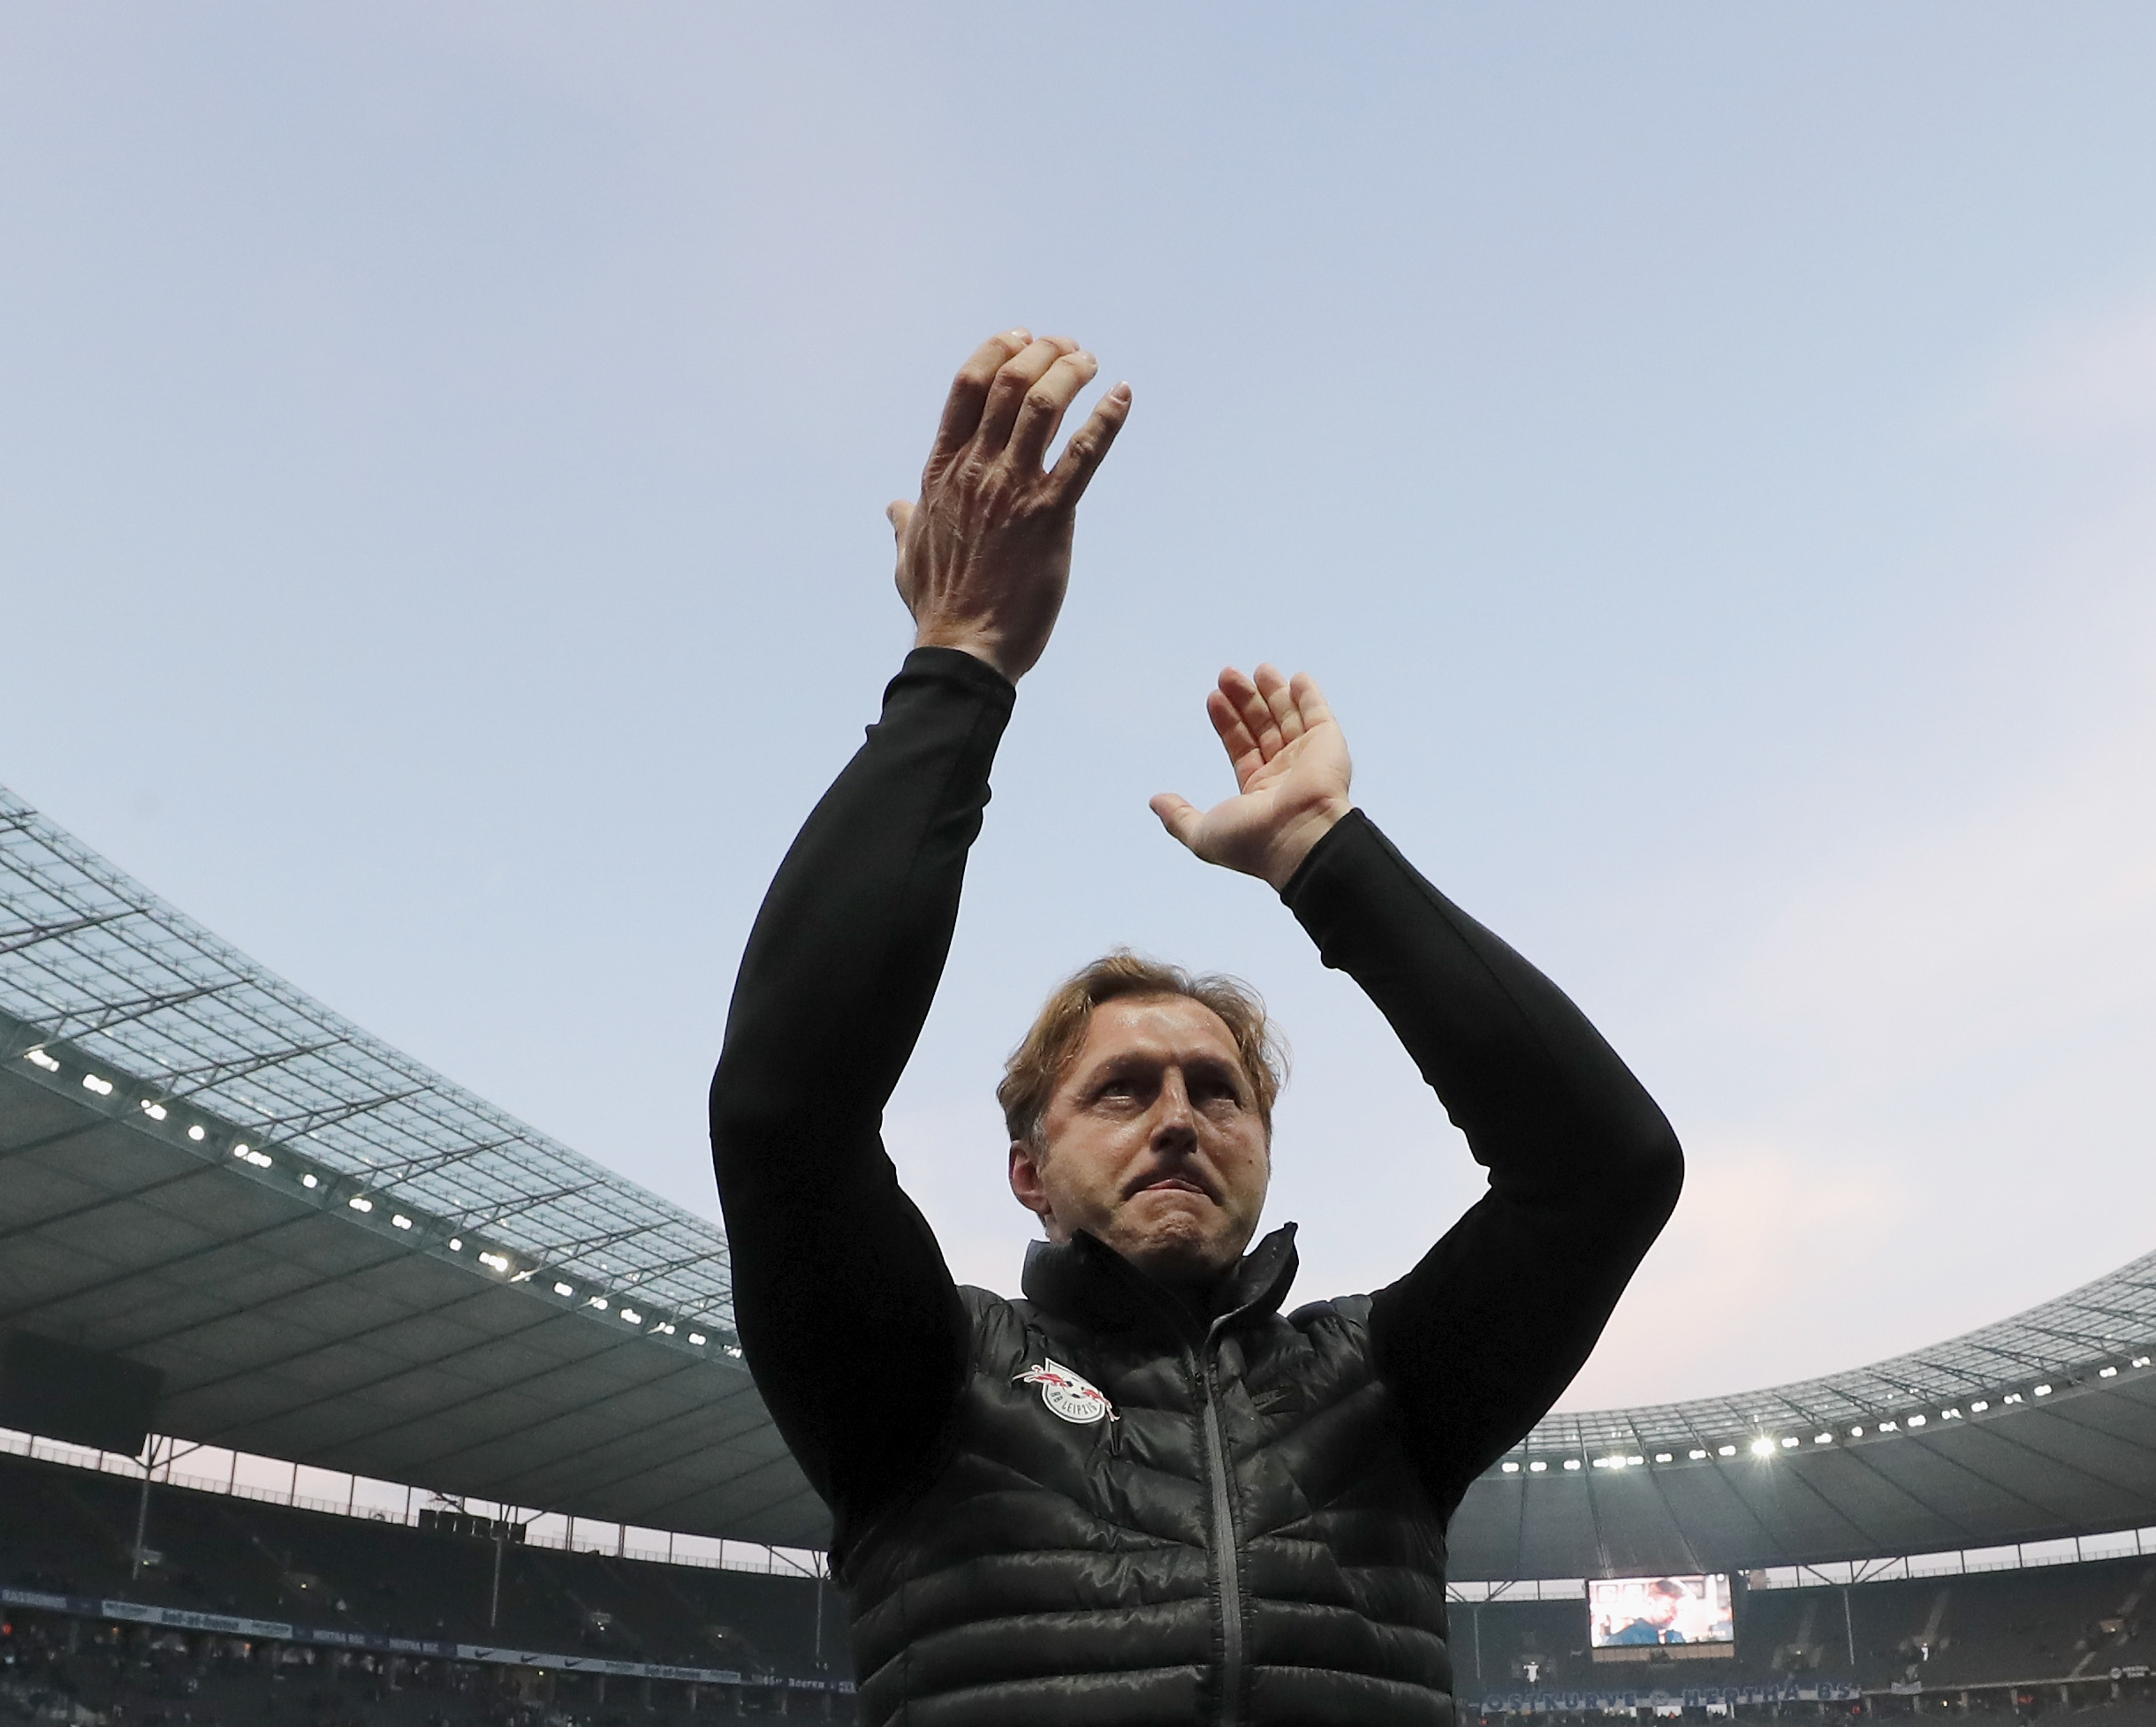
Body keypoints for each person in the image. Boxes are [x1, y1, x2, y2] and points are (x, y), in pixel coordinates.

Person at [706, 329, 1685, 1726]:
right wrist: (961, 663)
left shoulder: (1382, 1396)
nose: (1177, 1115)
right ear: (1025, 1172)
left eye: (1217, 1092)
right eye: (1119, 1092)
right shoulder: (926, 1387)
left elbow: (1606, 1173)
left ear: (1266, 1149)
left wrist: (1322, 852)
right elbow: (782, 1118)